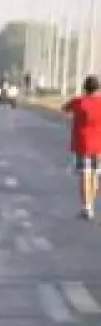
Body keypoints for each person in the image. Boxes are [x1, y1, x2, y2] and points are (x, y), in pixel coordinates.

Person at [66, 75, 101, 221]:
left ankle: (87, 208)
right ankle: (91, 203)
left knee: (85, 175)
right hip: (99, 145)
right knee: (95, 175)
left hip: (83, 144)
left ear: (85, 88)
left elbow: (65, 108)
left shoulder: (79, 101)